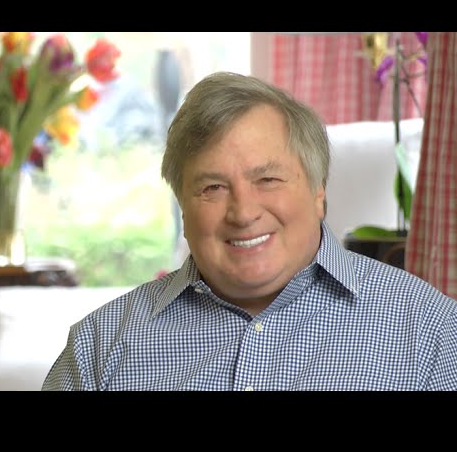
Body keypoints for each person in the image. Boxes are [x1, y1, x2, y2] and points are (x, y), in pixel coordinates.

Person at [42, 71, 457, 391]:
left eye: (268, 180)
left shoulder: (429, 332)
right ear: (183, 208)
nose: (243, 213)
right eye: (212, 187)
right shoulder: (98, 348)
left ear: (318, 191)